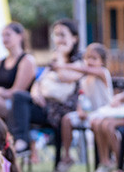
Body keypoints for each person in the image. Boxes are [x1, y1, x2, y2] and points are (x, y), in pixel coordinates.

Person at [9, 19, 83, 155]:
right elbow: (39, 82)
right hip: (45, 106)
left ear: (74, 38)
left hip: (62, 109)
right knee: (19, 97)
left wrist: (60, 55)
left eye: (62, 35)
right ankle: (22, 142)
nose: (59, 39)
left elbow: (64, 77)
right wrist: (36, 93)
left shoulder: (79, 61)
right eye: (56, 35)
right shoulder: (54, 61)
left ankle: (25, 144)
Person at [55, 42, 113, 172]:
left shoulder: (103, 73)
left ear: (102, 61)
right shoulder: (83, 79)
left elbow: (86, 70)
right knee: (67, 119)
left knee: (96, 122)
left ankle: (107, 161)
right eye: (88, 58)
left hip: (105, 114)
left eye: (94, 58)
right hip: (89, 114)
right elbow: (82, 98)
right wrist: (80, 110)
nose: (90, 61)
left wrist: (62, 65)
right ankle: (67, 155)